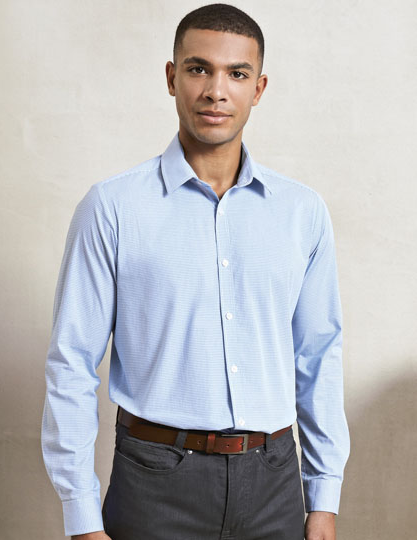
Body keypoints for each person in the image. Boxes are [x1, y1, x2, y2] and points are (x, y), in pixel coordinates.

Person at [41, 3, 350, 540]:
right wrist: (80, 514)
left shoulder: (302, 212)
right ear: (171, 77)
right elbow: (71, 362)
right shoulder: (112, 208)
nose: (216, 91)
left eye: (237, 74)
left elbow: (318, 356)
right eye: (199, 69)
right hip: (155, 483)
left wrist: (323, 496)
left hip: (275, 482)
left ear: (259, 88)